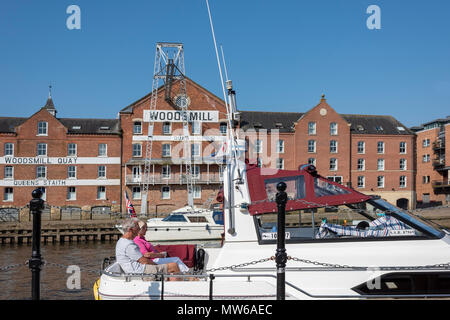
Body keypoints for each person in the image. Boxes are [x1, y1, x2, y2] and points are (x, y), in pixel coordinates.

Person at [115, 217, 180, 280]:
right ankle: (181, 287)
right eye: (137, 226)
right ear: (130, 229)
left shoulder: (121, 241)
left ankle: (173, 285)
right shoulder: (129, 244)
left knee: (170, 269)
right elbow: (144, 261)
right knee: (173, 266)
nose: (139, 228)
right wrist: (156, 265)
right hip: (140, 271)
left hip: (136, 270)